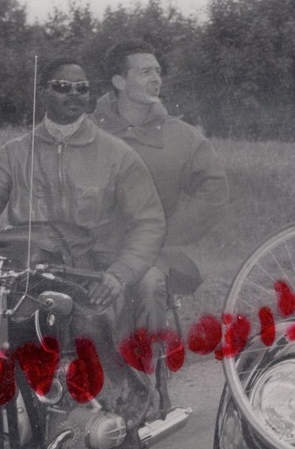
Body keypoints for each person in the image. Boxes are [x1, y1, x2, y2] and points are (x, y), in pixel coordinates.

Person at [0, 56, 167, 449]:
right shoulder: (15, 153)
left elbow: (149, 222)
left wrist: (120, 272)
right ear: (43, 93)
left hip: (90, 271)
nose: (72, 95)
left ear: (90, 95)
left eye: (81, 88)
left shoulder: (116, 155)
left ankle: (123, 417)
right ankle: (3, 416)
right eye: (61, 86)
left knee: (90, 329)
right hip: (27, 266)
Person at [93, 40, 229, 333]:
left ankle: (144, 373)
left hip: (152, 256)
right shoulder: (87, 132)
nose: (156, 79)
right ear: (119, 81)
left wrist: (168, 235)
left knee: (150, 284)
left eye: (157, 72)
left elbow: (215, 191)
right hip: (87, 252)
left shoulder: (182, 137)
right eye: (145, 72)